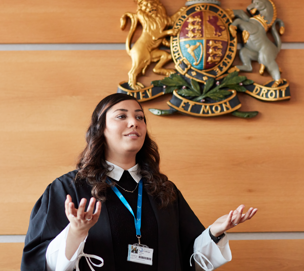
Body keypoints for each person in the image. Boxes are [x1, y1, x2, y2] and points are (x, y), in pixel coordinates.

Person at [21, 93, 257, 271]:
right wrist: (75, 231)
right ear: (100, 129)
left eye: (140, 117)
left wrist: (214, 231)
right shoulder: (69, 189)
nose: (134, 123)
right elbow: (40, 263)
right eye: (121, 116)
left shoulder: (164, 190)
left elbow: (189, 258)